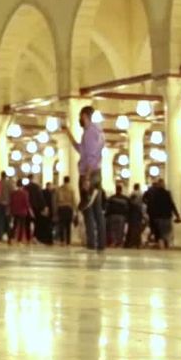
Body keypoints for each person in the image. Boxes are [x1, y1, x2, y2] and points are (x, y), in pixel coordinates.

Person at [70, 106, 106, 251]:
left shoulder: (90, 132)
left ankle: (92, 242)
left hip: (89, 173)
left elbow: (90, 156)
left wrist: (86, 177)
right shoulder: (97, 131)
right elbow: (82, 150)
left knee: (88, 209)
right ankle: (101, 243)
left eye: (80, 116)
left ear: (84, 115)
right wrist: (69, 136)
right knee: (96, 209)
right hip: (96, 173)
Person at [143, 178, 180, 249]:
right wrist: (177, 215)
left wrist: (151, 215)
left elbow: (150, 204)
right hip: (166, 216)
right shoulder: (167, 193)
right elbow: (172, 204)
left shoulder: (153, 193)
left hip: (157, 216)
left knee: (159, 233)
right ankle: (167, 245)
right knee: (167, 232)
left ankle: (162, 246)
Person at [54, 176, 77, 245]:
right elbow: (74, 200)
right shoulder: (71, 189)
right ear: (69, 181)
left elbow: (56, 200)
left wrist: (56, 209)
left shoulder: (59, 189)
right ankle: (68, 241)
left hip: (61, 208)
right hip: (68, 208)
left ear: (63, 180)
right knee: (68, 225)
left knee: (61, 225)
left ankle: (62, 241)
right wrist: (75, 209)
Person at [9, 180, 32, 244]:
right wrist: (30, 211)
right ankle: (19, 240)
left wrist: (11, 210)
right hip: (23, 211)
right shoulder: (25, 193)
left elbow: (11, 202)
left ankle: (11, 238)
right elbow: (26, 203)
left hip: (15, 211)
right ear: (22, 185)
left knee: (14, 225)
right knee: (21, 226)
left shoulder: (13, 193)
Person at [126, 183, 145, 249]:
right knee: (137, 228)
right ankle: (137, 243)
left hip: (134, 211)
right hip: (138, 211)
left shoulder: (133, 193)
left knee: (132, 228)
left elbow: (129, 201)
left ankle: (131, 243)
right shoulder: (141, 193)